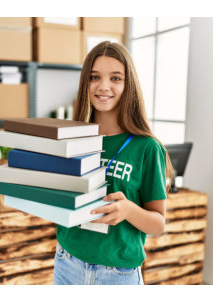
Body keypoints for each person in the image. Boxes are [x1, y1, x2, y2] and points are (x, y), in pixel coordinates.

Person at [53, 41, 174, 285]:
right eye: (94, 77)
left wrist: (128, 210)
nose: (103, 86)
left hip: (117, 276)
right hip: (67, 264)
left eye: (116, 78)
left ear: (129, 85)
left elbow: (158, 223)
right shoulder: (71, 138)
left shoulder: (147, 148)